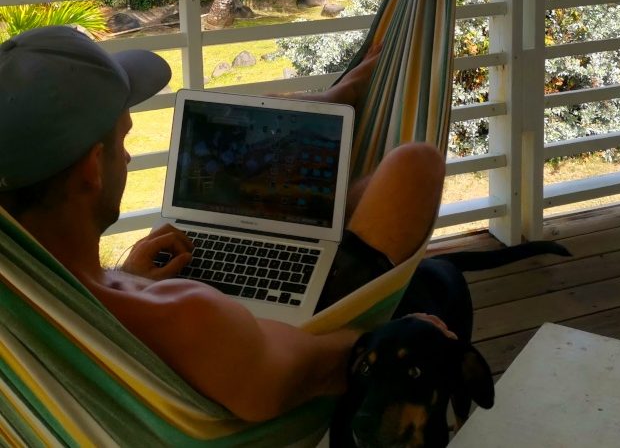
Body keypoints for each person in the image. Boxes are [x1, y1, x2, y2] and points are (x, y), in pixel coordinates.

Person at [0, 25, 446, 423]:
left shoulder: (22, 298)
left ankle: (334, 102)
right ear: (93, 170)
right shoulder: (187, 315)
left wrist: (126, 278)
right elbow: (326, 365)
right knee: (415, 165)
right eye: (123, 138)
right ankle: (333, 106)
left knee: (327, 206)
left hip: (153, 339)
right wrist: (415, 332)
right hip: (299, 337)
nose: (130, 156)